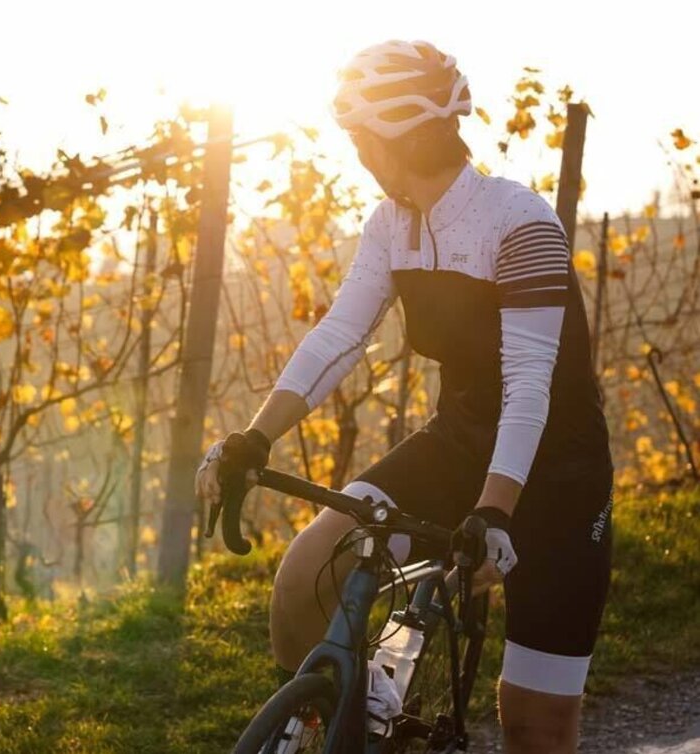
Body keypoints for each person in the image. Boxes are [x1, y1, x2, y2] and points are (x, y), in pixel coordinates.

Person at [195, 40, 612, 753]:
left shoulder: (519, 225)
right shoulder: (390, 223)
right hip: (457, 444)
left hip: (555, 480)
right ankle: (370, 710)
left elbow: (529, 387)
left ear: (397, 138)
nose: (355, 151)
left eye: (360, 136)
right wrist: (254, 438)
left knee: (532, 727)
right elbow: (337, 338)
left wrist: (493, 512)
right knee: (303, 583)